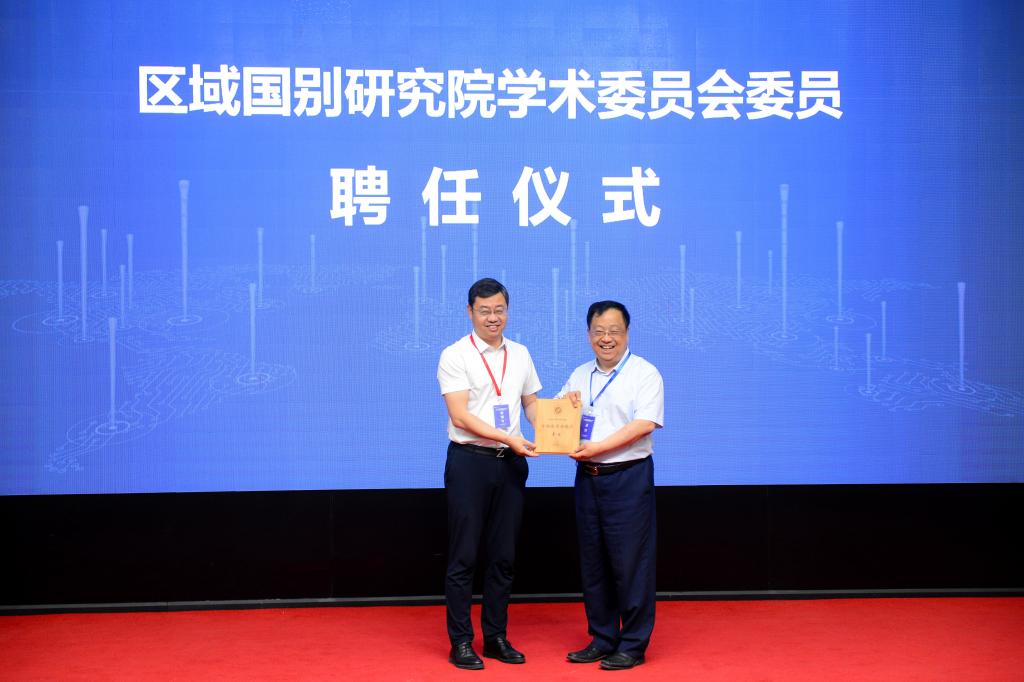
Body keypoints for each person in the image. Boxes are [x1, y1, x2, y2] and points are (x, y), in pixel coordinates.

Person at [437, 278, 541, 670]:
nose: (492, 317)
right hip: (470, 462)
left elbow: (530, 404)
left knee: (503, 556)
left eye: (499, 310)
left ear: (507, 311)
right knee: (464, 555)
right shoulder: (455, 355)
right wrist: (508, 437)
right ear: (470, 312)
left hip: (510, 464)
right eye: (484, 311)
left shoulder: (521, 353)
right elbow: (460, 415)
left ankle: (495, 636)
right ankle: (461, 641)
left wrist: (554, 426)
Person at [559, 300, 664, 670]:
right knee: (595, 562)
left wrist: (598, 447)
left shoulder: (644, 373)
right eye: (599, 331)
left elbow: (644, 424)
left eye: (614, 331)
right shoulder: (579, 374)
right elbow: (557, 419)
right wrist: (564, 409)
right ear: (589, 334)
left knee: (631, 562)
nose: (606, 338)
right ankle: (602, 638)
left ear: (627, 333)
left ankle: (632, 644)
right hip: (588, 479)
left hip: (628, 477)